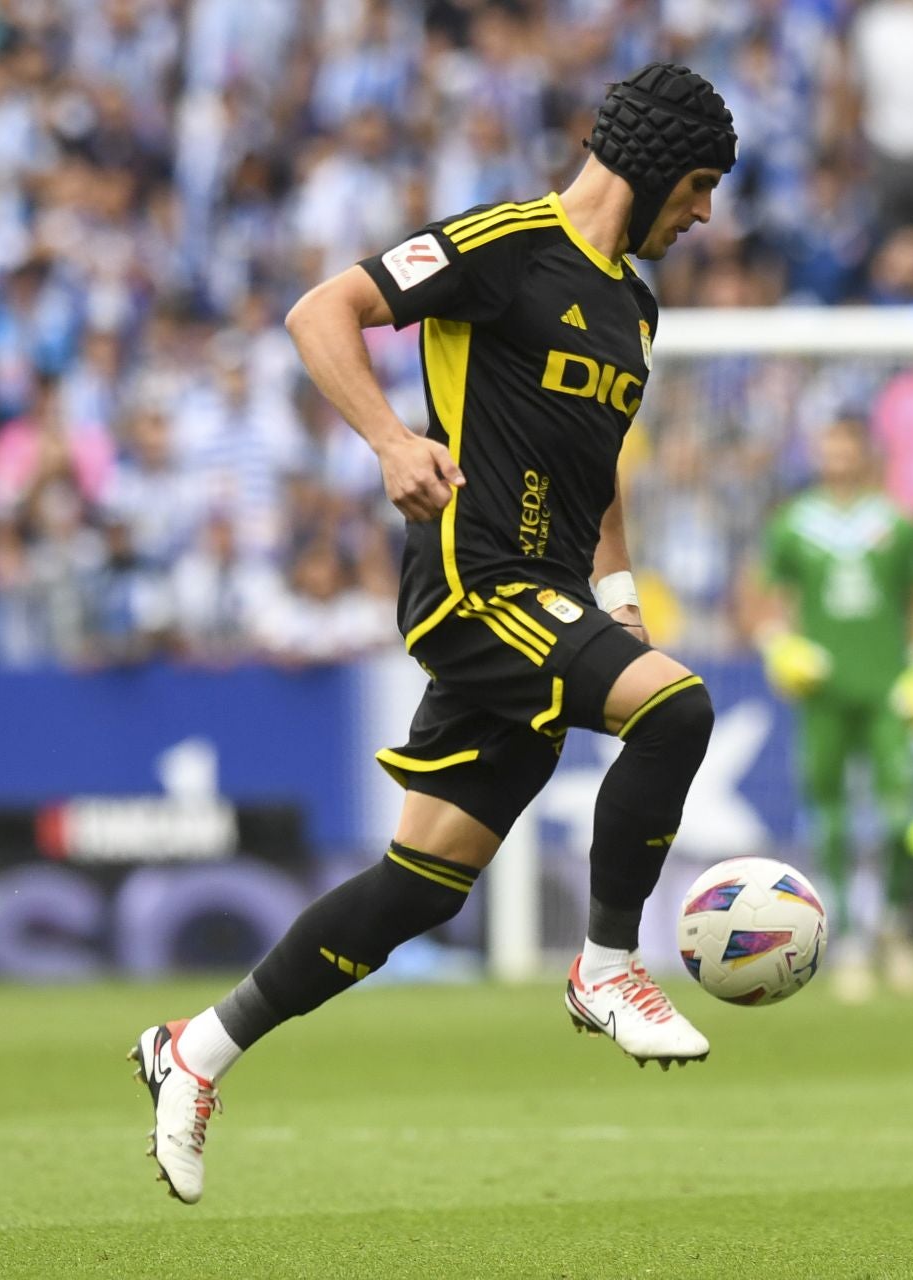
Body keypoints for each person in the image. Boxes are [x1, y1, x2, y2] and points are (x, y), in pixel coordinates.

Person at [128, 63, 739, 1205]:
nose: (704, 212)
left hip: (552, 596)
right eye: (698, 183)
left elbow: (599, 470)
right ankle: (609, 966)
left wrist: (616, 592)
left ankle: (196, 1048)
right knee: (678, 707)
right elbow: (324, 311)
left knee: (423, 883)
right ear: (654, 165)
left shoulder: (635, 308)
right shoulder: (506, 242)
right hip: (477, 582)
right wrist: (389, 442)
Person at [745, 418, 913, 1003]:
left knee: (903, 815)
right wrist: (778, 644)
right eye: (827, 447)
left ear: (865, 453)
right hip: (824, 691)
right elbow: (760, 597)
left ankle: (895, 925)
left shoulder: (898, 523)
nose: (836, 457)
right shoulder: (793, 524)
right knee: (827, 816)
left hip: (887, 688)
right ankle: (849, 940)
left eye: (845, 447)